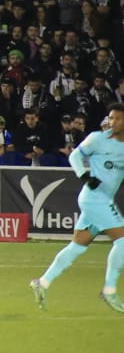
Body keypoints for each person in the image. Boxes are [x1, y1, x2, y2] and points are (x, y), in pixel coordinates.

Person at [30, 104, 124, 313]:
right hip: (94, 198)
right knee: (123, 241)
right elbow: (74, 156)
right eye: (111, 118)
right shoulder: (97, 138)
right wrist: (85, 176)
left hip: (101, 199)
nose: (112, 122)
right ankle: (109, 291)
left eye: (118, 119)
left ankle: (42, 282)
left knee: (77, 246)